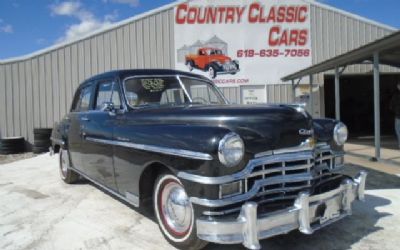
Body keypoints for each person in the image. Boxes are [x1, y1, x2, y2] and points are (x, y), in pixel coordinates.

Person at [390, 82, 400, 148]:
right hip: (397, 115)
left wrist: (395, 111)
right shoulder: (395, 95)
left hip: (398, 115)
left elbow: (391, 106)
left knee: (397, 129)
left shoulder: (395, 95)